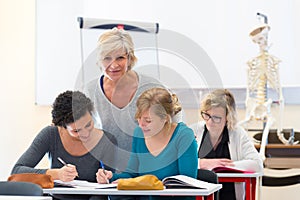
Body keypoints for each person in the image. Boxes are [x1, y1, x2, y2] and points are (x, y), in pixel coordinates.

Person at [84, 27, 181, 173]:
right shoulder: (90, 91)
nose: (114, 65)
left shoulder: (151, 86)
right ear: (100, 60)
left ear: (129, 58)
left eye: (120, 58)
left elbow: (175, 120)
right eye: (107, 58)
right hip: (108, 171)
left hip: (148, 167)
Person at [11, 90, 116, 200]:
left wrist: (106, 178)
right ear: (62, 127)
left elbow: (105, 190)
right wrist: (56, 174)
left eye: (88, 124)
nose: (85, 133)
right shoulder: (51, 134)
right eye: (76, 131)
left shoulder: (107, 140)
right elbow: (16, 172)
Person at [96, 88, 198, 200]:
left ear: (165, 118)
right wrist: (110, 177)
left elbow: (187, 185)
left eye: (148, 121)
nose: (141, 124)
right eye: (139, 118)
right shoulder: (139, 133)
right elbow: (131, 174)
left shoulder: (183, 136)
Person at [190, 89, 263, 200]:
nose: (209, 121)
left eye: (216, 118)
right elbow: (177, 165)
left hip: (230, 195)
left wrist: (224, 166)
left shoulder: (238, 134)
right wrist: (201, 163)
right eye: (207, 115)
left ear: (228, 118)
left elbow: (257, 164)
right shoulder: (193, 131)